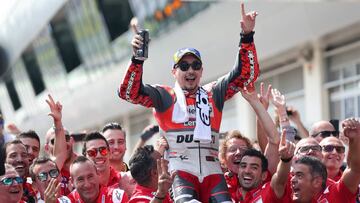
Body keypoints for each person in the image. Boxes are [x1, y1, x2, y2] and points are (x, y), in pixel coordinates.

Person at [118, 3, 259, 202]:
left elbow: (247, 75)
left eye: (196, 65)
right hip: (180, 170)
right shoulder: (164, 95)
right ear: (174, 72)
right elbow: (128, 93)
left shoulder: (214, 92)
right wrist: (137, 60)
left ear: (202, 70)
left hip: (212, 171)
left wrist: (246, 36)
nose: (190, 70)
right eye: (183, 66)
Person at [280, 117, 360, 202]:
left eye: (315, 148)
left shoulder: (336, 190)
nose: (310, 151)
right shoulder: (286, 183)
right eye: (304, 149)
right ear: (293, 156)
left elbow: (355, 169)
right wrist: (285, 160)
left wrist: (355, 139)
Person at [54, 156, 128, 203]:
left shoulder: (117, 198)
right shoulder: (66, 202)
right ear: (72, 182)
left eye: (90, 177)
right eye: (80, 179)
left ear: (98, 174)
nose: (87, 184)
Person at [45, 94, 77, 195]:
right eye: (55, 141)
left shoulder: (86, 163)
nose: (63, 142)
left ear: (72, 140)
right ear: (46, 148)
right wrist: (57, 122)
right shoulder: (47, 171)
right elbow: (60, 155)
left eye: (66, 138)